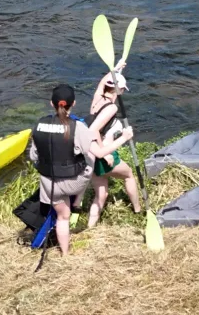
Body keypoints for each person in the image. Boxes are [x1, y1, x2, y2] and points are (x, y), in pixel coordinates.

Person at [29, 84, 136, 256]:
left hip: (49, 183)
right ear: (74, 104)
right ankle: (78, 200)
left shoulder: (39, 124)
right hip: (75, 182)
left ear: (51, 104)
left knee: (63, 217)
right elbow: (100, 152)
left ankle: (65, 254)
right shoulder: (79, 127)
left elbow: (34, 157)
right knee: (90, 156)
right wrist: (124, 137)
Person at [86, 68, 142, 228]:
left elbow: (101, 83)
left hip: (89, 156)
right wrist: (105, 154)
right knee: (129, 175)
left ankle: (90, 227)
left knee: (101, 194)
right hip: (101, 153)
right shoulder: (112, 108)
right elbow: (93, 130)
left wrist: (116, 68)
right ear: (120, 89)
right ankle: (138, 211)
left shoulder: (97, 100)